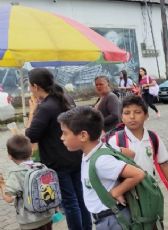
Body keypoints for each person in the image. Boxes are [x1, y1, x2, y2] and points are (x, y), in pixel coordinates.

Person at [25, 68, 92, 230]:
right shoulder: (65, 98)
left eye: (29, 85)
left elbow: (31, 135)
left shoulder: (45, 107)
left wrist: (33, 111)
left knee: (70, 202)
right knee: (81, 199)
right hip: (76, 155)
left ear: (35, 86)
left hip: (58, 161)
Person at [57, 106, 145, 230]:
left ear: (83, 136)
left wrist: (117, 191)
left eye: (65, 133)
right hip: (106, 218)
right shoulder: (98, 149)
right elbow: (130, 153)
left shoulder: (101, 161)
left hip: (112, 220)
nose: (61, 137)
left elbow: (138, 174)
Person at [108, 95, 168, 208]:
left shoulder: (153, 138)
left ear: (146, 115)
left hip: (149, 191)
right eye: (127, 113)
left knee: (154, 222)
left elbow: (164, 164)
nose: (132, 116)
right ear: (121, 117)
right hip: (127, 198)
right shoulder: (115, 141)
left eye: (137, 112)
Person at [0, 135, 54, 230]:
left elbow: (9, 199)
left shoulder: (16, 174)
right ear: (32, 151)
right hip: (47, 216)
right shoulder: (42, 166)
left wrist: (2, 184)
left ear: (9, 156)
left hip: (29, 221)